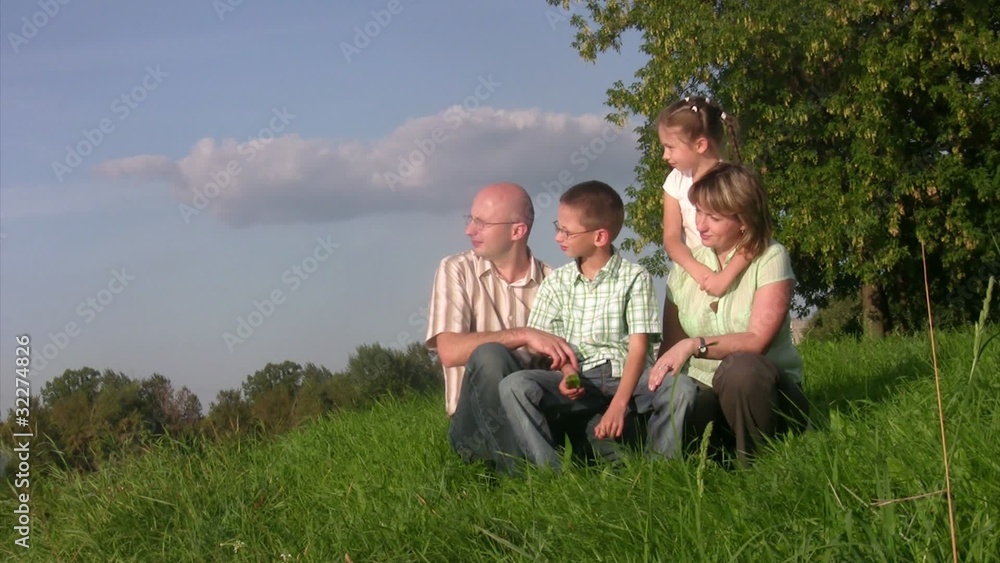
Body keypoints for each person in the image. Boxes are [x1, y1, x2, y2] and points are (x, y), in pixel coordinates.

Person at [498, 180, 697, 470]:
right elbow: (553, 348)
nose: (557, 237)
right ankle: (552, 473)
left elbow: (638, 349)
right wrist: (569, 375)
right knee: (515, 386)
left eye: (566, 230)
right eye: (558, 227)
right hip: (582, 379)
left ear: (600, 236)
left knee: (683, 389)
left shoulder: (634, 277)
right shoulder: (557, 282)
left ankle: (661, 469)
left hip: (629, 377)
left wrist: (618, 405)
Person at [648, 162, 810, 466]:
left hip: (765, 394)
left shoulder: (771, 257)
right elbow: (670, 349)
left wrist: (695, 344)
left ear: (743, 222)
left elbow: (756, 341)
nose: (701, 225)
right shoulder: (686, 268)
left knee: (741, 369)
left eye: (714, 217)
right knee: (678, 396)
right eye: (698, 212)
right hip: (705, 393)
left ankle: (759, 465)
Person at [425, 182, 580, 475]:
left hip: (539, 418)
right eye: (470, 219)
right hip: (475, 428)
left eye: (481, 223)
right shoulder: (455, 270)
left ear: (517, 231)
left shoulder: (557, 282)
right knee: (490, 355)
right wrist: (524, 334)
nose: (469, 230)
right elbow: (448, 351)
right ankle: (529, 479)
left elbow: (568, 362)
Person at [658, 96, 750, 297]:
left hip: (736, 277)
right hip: (692, 276)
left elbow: (754, 235)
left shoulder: (732, 180)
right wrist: (699, 272)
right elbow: (671, 238)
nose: (665, 155)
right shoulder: (675, 181)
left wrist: (724, 277)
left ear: (700, 145)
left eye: (670, 147)